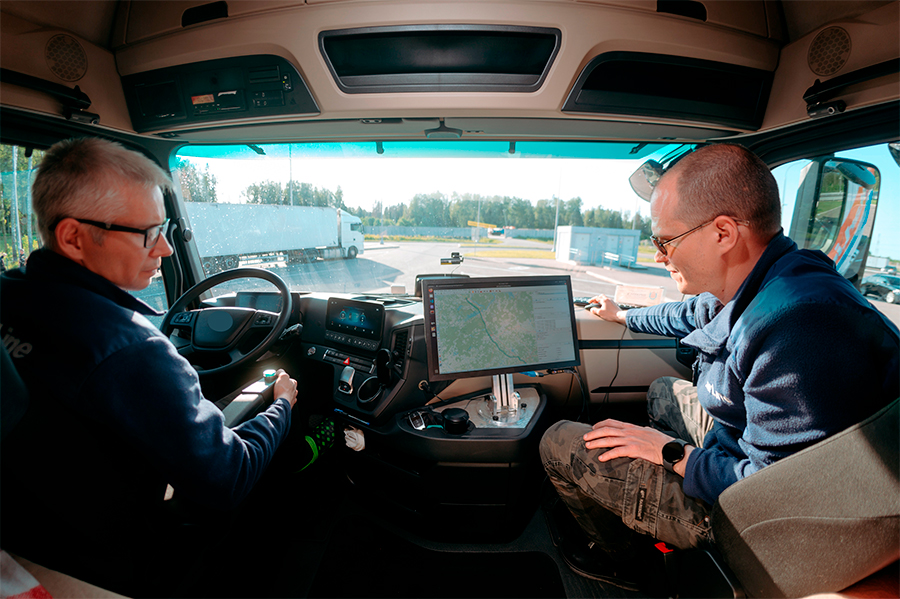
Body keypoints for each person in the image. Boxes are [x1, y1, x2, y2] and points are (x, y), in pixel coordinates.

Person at [540, 143, 899, 588]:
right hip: (743, 455)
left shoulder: (799, 327)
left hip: (761, 521)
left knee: (559, 441)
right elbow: (687, 314)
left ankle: (627, 562)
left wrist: (671, 454)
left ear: (723, 233)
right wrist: (623, 316)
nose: (659, 256)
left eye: (664, 241)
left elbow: (773, 492)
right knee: (663, 391)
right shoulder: (765, 277)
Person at [0, 138, 300, 596]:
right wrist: (281, 406)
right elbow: (230, 476)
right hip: (108, 563)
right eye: (147, 233)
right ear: (74, 237)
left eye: (165, 229)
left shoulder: (9, 294)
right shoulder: (132, 348)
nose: (164, 249)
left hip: (28, 526)